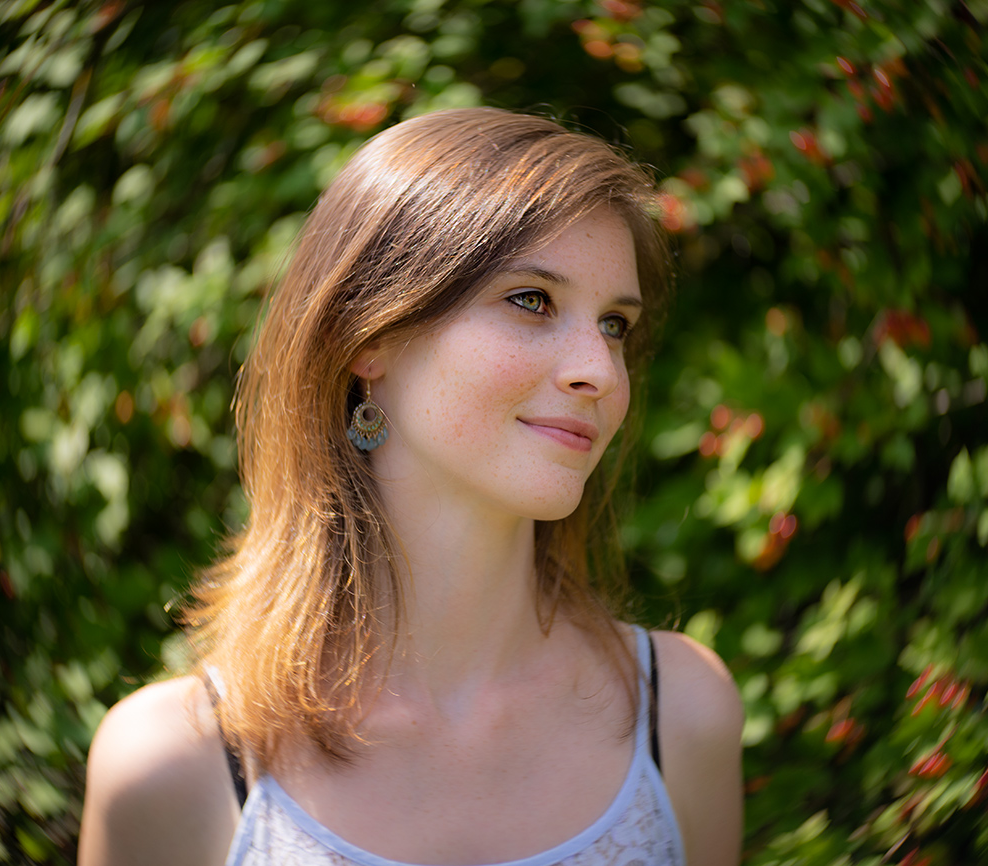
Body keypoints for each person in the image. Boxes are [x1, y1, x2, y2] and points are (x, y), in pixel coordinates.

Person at [78, 107, 743, 866]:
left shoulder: (683, 713)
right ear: (372, 337)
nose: (600, 370)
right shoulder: (172, 766)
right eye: (532, 300)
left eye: (615, 324)